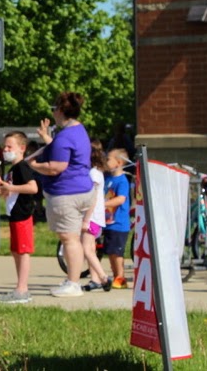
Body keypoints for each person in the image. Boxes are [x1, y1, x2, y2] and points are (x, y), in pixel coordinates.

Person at [29, 91, 94, 298]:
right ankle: (72, 280)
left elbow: (56, 167)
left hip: (67, 193)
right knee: (72, 238)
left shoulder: (65, 135)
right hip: (82, 189)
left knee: (69, 239)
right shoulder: (78, 130)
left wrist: (34, 165)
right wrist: (48, 138)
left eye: (54, 109)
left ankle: (73, 283)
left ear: (60, 111)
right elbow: (64, 151)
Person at [0, 131, 39, 303]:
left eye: (9, 146)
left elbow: (33, 188)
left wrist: (11, 189)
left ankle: (22, 288)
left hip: (23, 215)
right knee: (16, 251)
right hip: (14, 214)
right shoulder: (13, 169)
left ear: (22, 148)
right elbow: (13, 189)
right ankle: (20, 287)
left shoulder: (22, 167)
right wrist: (6, 191)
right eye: (5, 146)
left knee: (23, 251)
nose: (5, 149)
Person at [81, 139, 112, 292]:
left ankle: (103, 277)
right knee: (91, 248)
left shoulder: (93, 173)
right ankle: (95, 280)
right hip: (95, 216)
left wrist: (86, 219)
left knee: (86, 249)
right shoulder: (96, 171)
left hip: (91, 216)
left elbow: (92, 198)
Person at [102, 148, 132, 289]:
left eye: (109, 159)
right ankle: (116, 276)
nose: (106, 161)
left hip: (119, 223)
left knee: (117, 252)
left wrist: (103, 204)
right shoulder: (107, 178)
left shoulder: (122, 181)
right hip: (107, 222)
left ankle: (121, 277)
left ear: (118, 162)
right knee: (111, 252)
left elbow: (120, 199)